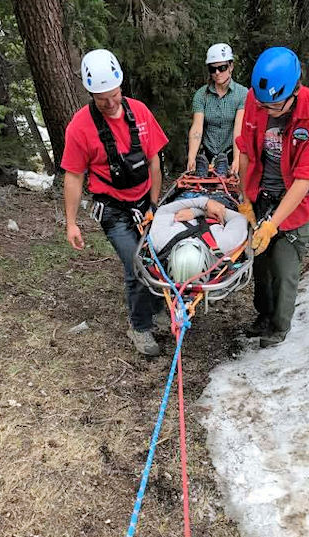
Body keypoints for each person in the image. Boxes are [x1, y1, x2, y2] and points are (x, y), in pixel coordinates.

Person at [61, 49, 168, 357]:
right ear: (90, 94)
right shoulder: (80, 127)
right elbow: (73, 177)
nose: (110, 104)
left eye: (114, 95)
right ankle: (139, 326)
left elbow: (154, 162)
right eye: (101, 99)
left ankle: (159, 306)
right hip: (114, 209)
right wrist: (71, 222)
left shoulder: (140, 113)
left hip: (145, 201)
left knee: (156, 254)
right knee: (135, 262)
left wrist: (154, 204)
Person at [237, 46, 309, 348]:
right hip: (261, 193)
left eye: (274, 106)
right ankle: (263, 317)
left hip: (296, 203)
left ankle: (278, 330)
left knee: (283, 268)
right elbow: (245, 150)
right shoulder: (256, 99)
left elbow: (305, 178)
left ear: (294, 91)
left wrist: (273, 224)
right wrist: (244, 199)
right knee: (260, 264)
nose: (267, 111)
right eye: (263, 106)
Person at [148, 196, 247, 282]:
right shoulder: (224, 245)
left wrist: (202, 205)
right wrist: (201, 210)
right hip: (219, 203)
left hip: (184, 202)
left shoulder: (160, 241)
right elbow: (239, 218)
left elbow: (164, 210)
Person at [187, 43, 248, 177]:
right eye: (212, 69)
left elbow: (239, 129)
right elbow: (197, 127)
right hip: (207, 154)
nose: (217, 73)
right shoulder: (201, 95)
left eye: (222, 68)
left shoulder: (243, 94)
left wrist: (237, 159)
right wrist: (191, 157)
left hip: (231, 151)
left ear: (231, 66)